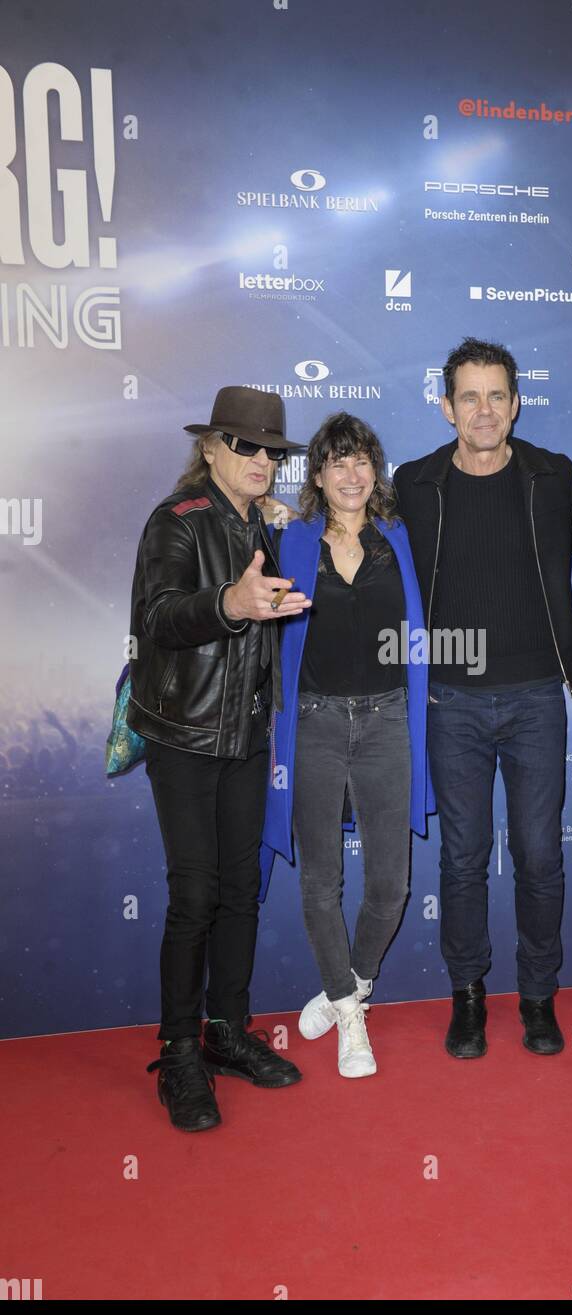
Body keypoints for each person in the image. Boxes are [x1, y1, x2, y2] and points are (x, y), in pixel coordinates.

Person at [393, 338, 572, 1059]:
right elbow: (349, 531)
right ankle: (467, 996)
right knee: (463, 857)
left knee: (539, 855)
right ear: (446, 407)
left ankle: (537, 997)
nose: (483, 410)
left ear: (515, 402)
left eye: (496, 395)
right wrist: (290, 521)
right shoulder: (414, 485)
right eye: (468, 396)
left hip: (537, 695)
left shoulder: (553, 477)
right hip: (452, 702)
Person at [128, 386, 310, 1131]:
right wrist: (230, 603)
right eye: (244, 446)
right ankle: (178, 1050)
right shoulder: (177, 520)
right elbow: (157, 618)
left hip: (244, 740)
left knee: (241, 891)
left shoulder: (264, 525)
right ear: (209, 449)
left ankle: (226, 1033)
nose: (261, 459)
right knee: (195, 896)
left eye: (272, 450)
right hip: (184, 737)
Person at [260, 413, 434, 1078]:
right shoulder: (293, 538)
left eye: (361, 460)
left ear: (375, 469)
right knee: (322, 881)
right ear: (319, 475)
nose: (351, 474)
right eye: (337, 462)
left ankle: (348, 986)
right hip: (315, 726)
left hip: (389, 722)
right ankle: (351, 1017)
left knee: (390, 885)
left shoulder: (399, 538)